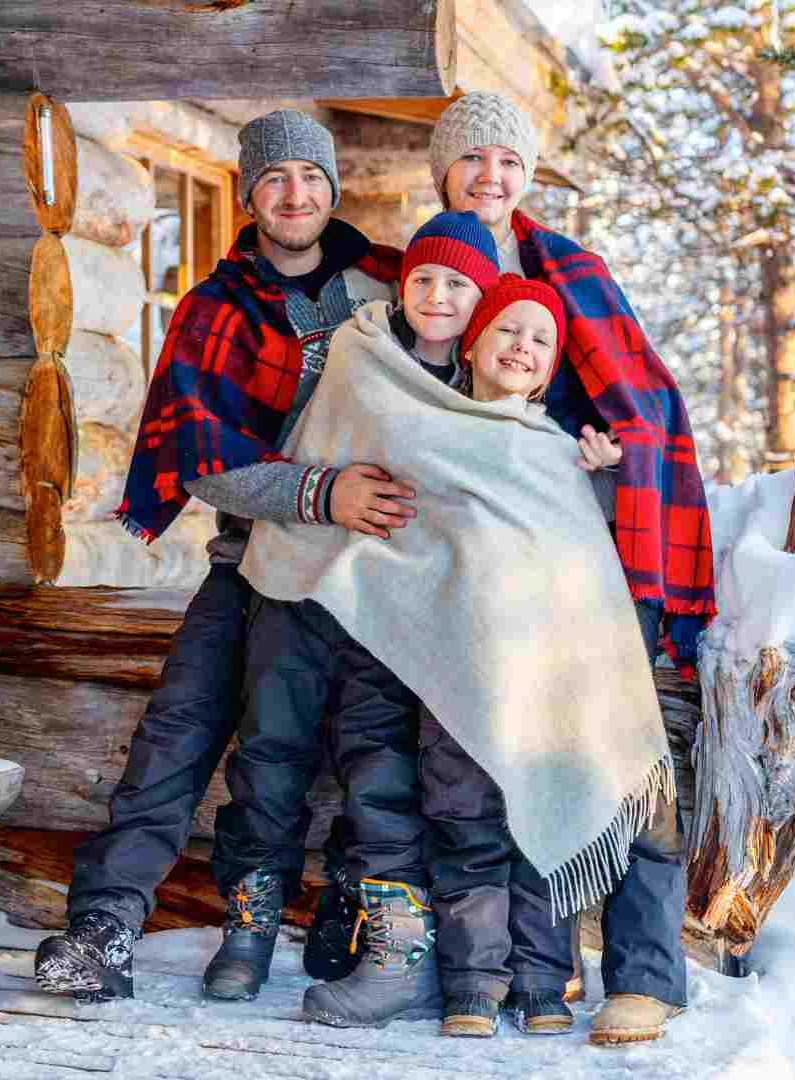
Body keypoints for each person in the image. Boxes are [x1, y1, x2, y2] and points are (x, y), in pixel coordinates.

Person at [33, 108, 411, 1003]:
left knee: (375, 743)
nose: (295, 194)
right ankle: (105, 927)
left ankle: (351, 914)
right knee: (179, 727)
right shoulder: (217, 306)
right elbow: (203, 458)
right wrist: (320, 493)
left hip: (368, 568)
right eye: (275, 179)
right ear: (249, 196)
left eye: (311, 178)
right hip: (250, 559)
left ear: (332, 189)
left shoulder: (387, 287)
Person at [243, 273, 673, 1043]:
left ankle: (543, 983)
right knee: (462, 820)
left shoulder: (555, 451)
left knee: (541, 813)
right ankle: (469, 985)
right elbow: (407, 520)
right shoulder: (420, 418)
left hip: (541, 682)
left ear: (550, 371)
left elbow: (580, 557)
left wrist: (606, 479)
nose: (523, 347)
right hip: (447, 662)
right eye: (509, 330)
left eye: (541, 341)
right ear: (473, 342)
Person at [425, 90, 718, 1045]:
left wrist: (601, 458)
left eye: (508, 162)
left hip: (593, 550)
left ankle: (644, 976)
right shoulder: (426, 274)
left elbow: (644, 406)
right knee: (516, 771)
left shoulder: (573, 271)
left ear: (528, 175)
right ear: (443, 172)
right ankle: (530, 977)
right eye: (472, 161)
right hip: (484, 573)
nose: (490, 178)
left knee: (629, 757)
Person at [202, 210, 512, 1010]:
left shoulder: (487, 388)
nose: (438, 295)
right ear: (401, 286)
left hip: (394, 606)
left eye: (458, 283)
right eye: (424, 279)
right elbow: (310, 443)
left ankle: (397, 947)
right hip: (300, 579)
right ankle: (248, 927)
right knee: (269, 749)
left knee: (380, 769)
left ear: (482, 300)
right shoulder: (359, 346)